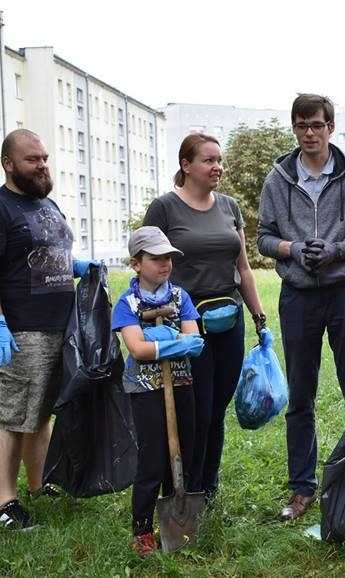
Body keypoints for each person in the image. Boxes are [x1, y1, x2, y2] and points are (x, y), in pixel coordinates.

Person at [0, 128, 96, 529]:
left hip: (58, 327)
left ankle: (39, 485)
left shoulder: (48, 206)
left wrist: (75, 268)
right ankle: (5, 503)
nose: (42, 165)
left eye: (44, 158)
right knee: (11, 414)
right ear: (8, 164)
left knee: (39, 415)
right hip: (18, 331)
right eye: (32, 160)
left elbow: (47, 255)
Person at [258, 94, 345, 521]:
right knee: (301, 396)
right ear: (294, 128)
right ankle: (302, 488)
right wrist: (292, 249)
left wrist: (335, 251)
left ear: (331, 127)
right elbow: (264, 237)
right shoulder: (279, 178)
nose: (309, 133)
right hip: (298, 296)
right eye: (301, 126)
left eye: (316, 125)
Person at [143, 133, 267, 501]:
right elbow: (148, 269)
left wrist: (258, 317)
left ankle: (208, 487)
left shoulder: (229, 207)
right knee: (192, 409)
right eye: (209, 160)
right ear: (186, 165)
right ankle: (183, 487)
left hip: (228, 319)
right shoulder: (164, 209)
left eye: (219, 160)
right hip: (183, 324)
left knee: (216, 408)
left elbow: (242, 268)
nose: (218, 167)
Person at [112, 226, 204, 557]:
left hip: (181, 384)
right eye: (155, 258)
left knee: (184, 453)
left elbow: (195, 340)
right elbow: (135, 348)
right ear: (136, 263)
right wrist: (168, 342)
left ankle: (178, 520)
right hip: (146, 389)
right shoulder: (128, 303)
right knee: (152, 458)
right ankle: (142, 529)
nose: (165, 264)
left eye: (168, 257)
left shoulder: (180, 297)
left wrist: (167, 342)